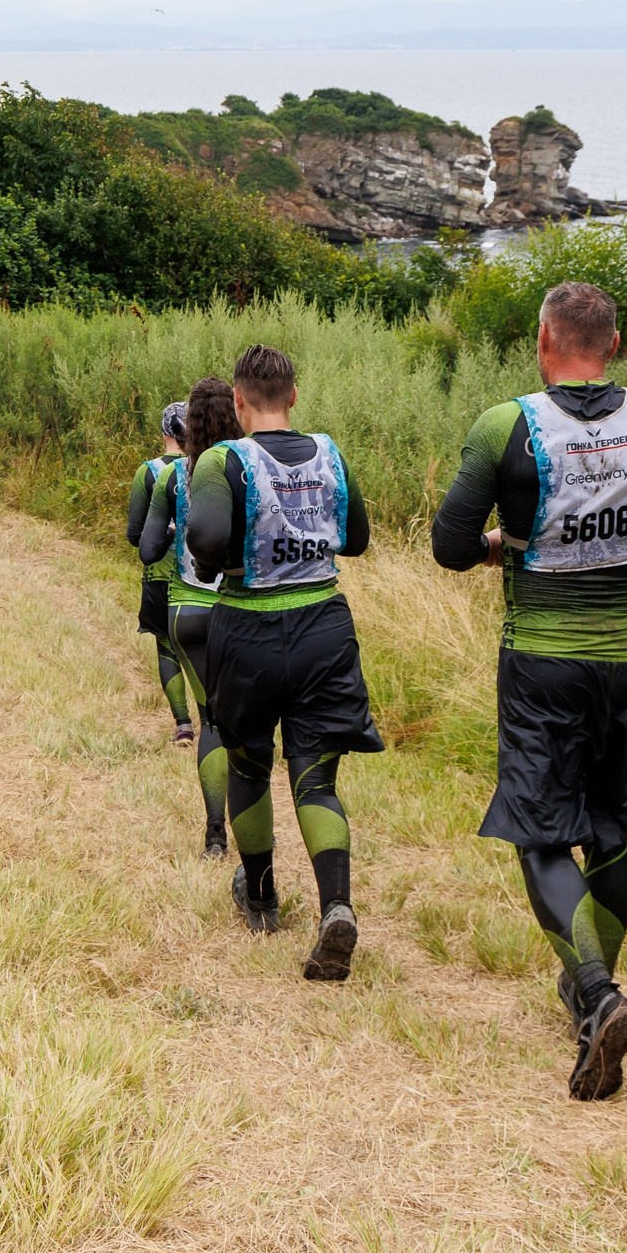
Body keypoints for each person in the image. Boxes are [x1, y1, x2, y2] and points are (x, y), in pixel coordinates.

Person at [429, 280, 627, 1103]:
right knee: (609, 832)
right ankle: (587, 1001)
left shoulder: (507, 426)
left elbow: (449, 544)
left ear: (543, 343)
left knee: (540, 834)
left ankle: (598, 992)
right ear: (612, 344)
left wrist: (507, 540)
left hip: (542, 660)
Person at [184, 344, 379, 982]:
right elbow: (355, 538)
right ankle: (336, 907)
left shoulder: (222, 459)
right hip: (324, 624)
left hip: (248, 629)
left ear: (238, 402)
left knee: (248, 762)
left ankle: (263, 897)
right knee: (316, 776)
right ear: (293, 396)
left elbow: (208, 542)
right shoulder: (330, 453)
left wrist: (217, 562)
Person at [140, 378, 240, 859]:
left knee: (212, 722)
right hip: (240, 612)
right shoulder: (246, 468)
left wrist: (176, 527)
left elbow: (146, 548)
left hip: (186, 611)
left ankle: (215, 834)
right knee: (246, 725)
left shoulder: (172, 476)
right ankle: (256, 829)